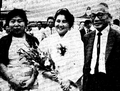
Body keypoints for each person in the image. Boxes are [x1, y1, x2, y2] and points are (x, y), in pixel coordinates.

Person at [38, 8, 84, 91]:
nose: (60, 24)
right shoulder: (48, 40)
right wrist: (47, 73)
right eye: (58, 21)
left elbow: (80, 63)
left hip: (70, 82)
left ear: (69, 24)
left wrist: (69, 79)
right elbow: (40, 61)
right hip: (52, 81)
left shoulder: (76, 40)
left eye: (64, 21)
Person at [83, 2, 120, 91]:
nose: (96, 19)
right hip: (91, 82)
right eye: (93, 16)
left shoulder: (117, 37)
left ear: (109, 17)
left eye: (100, 15)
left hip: (110, 83)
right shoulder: (87, 37)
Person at [0, 8, 39, 91]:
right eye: (13, 21)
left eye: (19, 21)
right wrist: (12, 80)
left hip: (31, 82)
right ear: (8, 24)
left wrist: (31, 80)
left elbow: (39, 63)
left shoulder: (33, 40)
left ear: (25, 23)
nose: (16, 24)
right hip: (9, 82)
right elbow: (0, 63)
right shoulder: (4, 41)